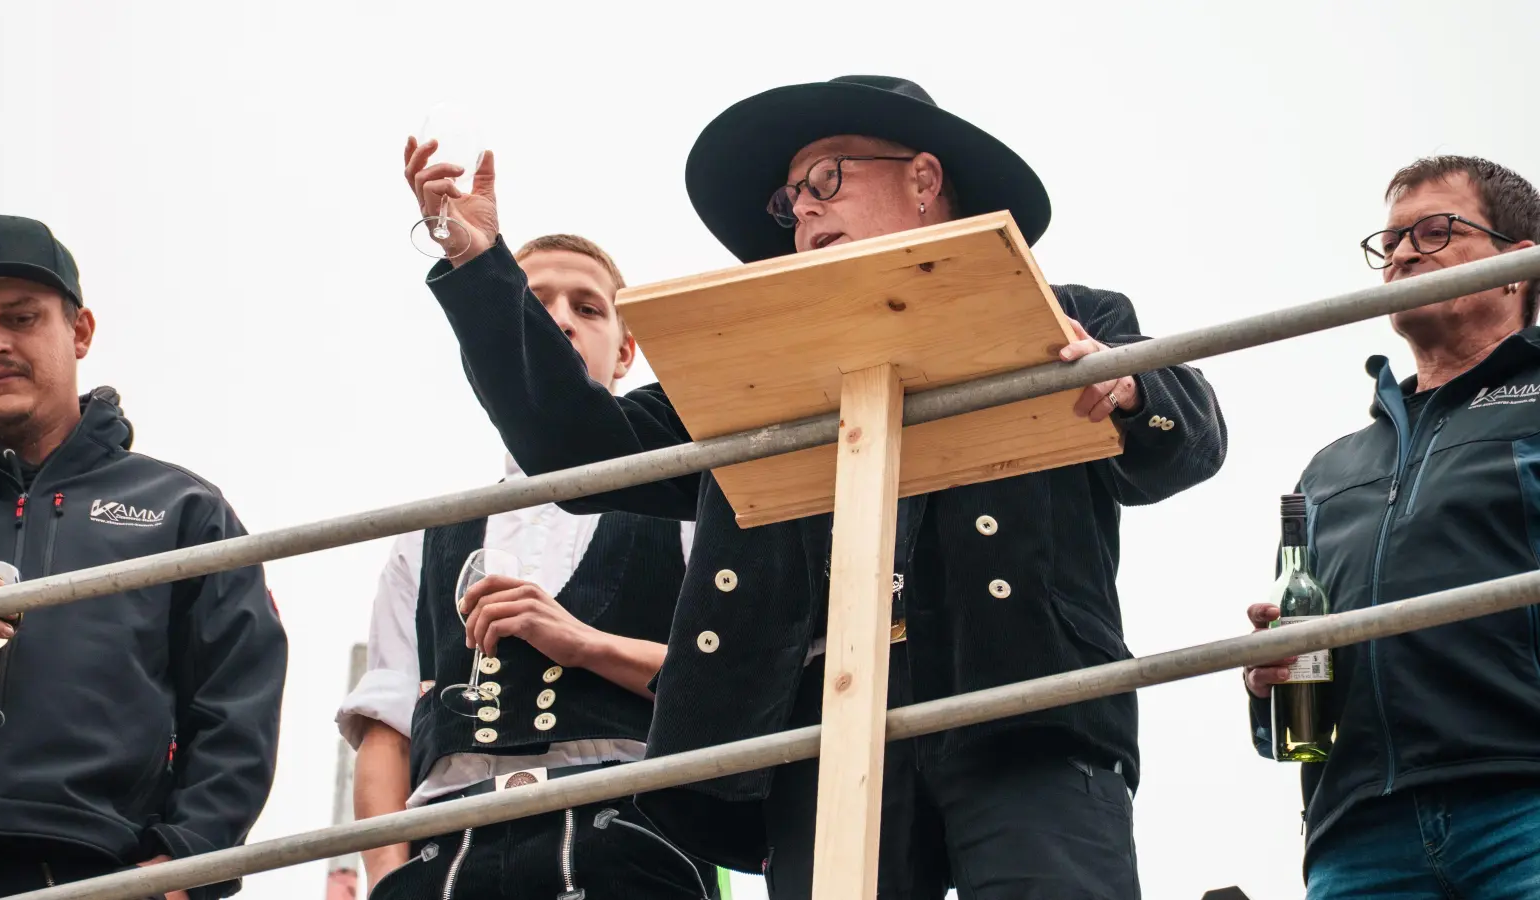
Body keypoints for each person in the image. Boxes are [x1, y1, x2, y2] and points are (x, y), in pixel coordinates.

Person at [406, 76, 1227, 899]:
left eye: (826, 178)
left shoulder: (1065, 315)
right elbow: (576, 449)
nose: (801, 208)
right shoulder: (754, 375)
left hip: (1028, 708)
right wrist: (478, 262)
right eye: (789, 198)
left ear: (924, 180)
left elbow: (1190, 438)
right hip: (819, 728)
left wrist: (1124, 388)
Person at [336, 225, 717, 900]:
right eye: (535, 306)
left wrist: (585, 643)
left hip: (631, 839)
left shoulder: (693, 509)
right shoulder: (424, 538)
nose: (561, 322)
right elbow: (388, 726)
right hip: (445, 856)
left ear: (627, 350)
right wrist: (388, 878)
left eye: (588, 307)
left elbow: (726, 684)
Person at [0, 215, 288, 900]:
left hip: (99, 872)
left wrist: (190, 860)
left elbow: (237, 701)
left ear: (81, 331)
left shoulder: (183, 508)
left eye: (20, 317)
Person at [1244, 155, 1540, 899]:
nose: (1404, 254)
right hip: (1359, 830)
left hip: (1522, 801)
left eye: (1435, 232)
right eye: (1391, 242)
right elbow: (1295, 704)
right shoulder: (1330, 468)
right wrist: (1266, 679)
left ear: (1518, 265)